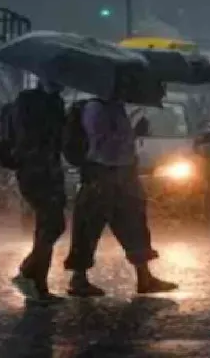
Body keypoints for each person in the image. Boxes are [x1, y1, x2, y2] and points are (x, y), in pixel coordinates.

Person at [63, 88, 178, 297]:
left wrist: (134, 133)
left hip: (123, 173)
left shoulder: (116, 108)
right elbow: (101, 144)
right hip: (103, 173)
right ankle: (78, 279)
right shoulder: (95, 109)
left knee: (133, 224)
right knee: (89, 226)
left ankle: (145, 277)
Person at [10, 79, 67, 303]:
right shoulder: (34, 103)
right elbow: (37, 137)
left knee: (49, 226)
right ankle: (31, 277)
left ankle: (35, 279)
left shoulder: (52, 102)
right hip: (38, 171)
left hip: (42, 170)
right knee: (51, 225)